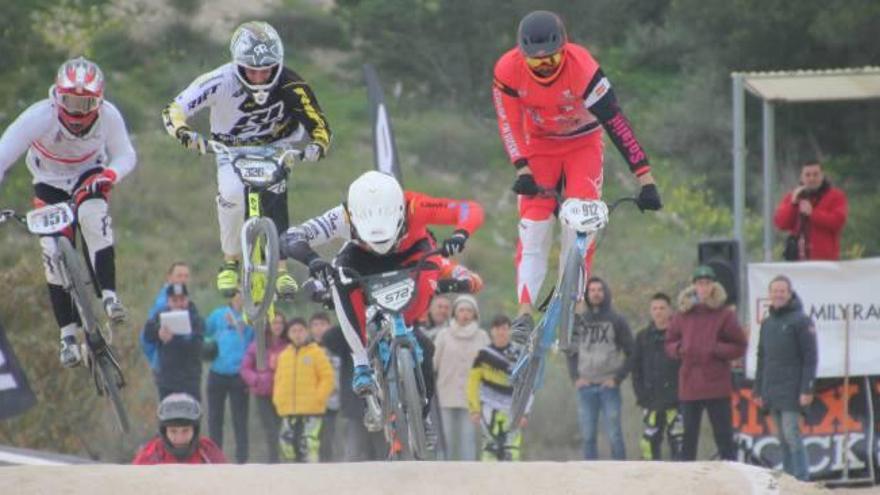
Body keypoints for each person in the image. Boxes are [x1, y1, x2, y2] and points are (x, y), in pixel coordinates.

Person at [492, 11, 663, 341]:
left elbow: (616, 123)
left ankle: (575, 301)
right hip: (539, 145)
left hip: (583, 143)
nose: (545, 67)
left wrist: (646, 178)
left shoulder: (583, 68)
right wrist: (521, 167)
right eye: (535, 63)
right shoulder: (507, 70)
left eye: (551, 59)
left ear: (564, 49)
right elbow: (508, 123)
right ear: (521, 57)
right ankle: (524, 311)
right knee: (534, 228)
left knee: (582, 221)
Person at [161, 21, 332, 297]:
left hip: (276, 147)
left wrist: (318, 145)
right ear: (237, 64)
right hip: (230, 150)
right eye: (251, 69)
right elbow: (174, 108)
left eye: (266, 69)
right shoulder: (219, 80)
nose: (259, 76)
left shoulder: (292, 83)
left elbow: (319, 123)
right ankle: (230, 261)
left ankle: (282, 269)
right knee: (231, 194)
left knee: (276, 191)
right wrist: (184, 133)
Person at [279, 170, 483, 400]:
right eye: (373, 238)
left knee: (429, 269)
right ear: (355, 218)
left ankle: (407, 334)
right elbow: (291, 237)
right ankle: (361, 364)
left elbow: (468, 209)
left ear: (400, 214)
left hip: (411, 256)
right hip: (361, 261)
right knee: (340, 280)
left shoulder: (415, 205)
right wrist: (313, 260)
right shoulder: (343, 216)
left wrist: (461, 234)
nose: (382, 244)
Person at [0, 57, 136, 367]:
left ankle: (110, 297)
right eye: (69, 101)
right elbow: (2, 155)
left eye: (85, 102)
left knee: (94, 220)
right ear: (57, 97)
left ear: (98, 101)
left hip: (89, 175)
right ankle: (67, 336)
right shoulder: (39, 117)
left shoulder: (109, 117)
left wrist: (110, 175)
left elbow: (126, 154)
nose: (76, 112)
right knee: (50, 251)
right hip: (48, 183)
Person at [665, 265, 747, 461]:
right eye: (700, 284)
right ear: (694, 286)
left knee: (724, 436)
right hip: (690, 384)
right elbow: (669, 342)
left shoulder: (724, 314)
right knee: (688, 438)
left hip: (716, 384)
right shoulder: (682, 314)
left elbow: (740, 344)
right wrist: (680, 349)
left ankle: (731, 476)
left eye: (707, 283)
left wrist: (716, 349)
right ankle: (688, 480)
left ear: (713, 286)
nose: (703, 287)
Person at [753, 275, 817, 481]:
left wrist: (807, 388)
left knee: (792, 434)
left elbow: (810, 358)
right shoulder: (767, 323)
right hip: (771, 389)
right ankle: (790, 478)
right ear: (770, 295)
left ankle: (802, 478)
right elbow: (761, 358)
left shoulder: (802, 320)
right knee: (780, 437)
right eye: (775, 291)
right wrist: (758, 390)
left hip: (793, 389)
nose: (778, 294)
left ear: (789, 294)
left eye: (782, 291)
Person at [567, 277, 633, 460]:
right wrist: (575, 377)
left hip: (609, 386)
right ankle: (591, 478)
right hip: (586, 387)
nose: (596, 293)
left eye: (599, 290)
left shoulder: (617, 320)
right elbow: (570, 352)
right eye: (592, 290)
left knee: (614, 435)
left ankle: (620, 474)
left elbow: (632, 352)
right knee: (588, 436)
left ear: (605, 293)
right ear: (587, 295)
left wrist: (617, 378)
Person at [433, 294, 490, 461]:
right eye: (461, 310)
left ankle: (469, 477)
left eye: (469, 311)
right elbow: (433, 364)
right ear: (455, 313)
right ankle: (442, 474)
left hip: (472, 398)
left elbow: (487, 368)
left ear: (475, 314)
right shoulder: (443, 335)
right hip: (445, 394)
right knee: (445, 439)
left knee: (468, 439)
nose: (465, 314)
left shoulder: (482, 336)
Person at [273, 318, 335, 462]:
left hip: (311, 410)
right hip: (288, 410)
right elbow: (278, 380)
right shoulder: (284, 355)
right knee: (287, 445)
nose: (297, 334)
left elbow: (327, 377)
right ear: (288, 334)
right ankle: (291, 477)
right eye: (293, 331)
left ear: (307, 332)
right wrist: (278, 399)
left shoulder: (316, 353)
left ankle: (311, 476)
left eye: (301, 330)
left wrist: (318, 397)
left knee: (309, 445)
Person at [629, 293, 682, 461]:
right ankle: (649, 477)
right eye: (654, 308)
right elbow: (635, 369)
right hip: (651, 400)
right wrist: (641, 395)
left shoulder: (680, 334)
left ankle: (681, 476)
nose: (658, 312)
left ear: (670, 310)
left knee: (679, 440)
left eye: (662, 308)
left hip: (677, 400)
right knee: (649, 442)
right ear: (650, 311)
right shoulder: (642, 337)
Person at [205, 290, 254, 463]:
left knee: (240, 420)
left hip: (239, 375)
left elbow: (256, 343)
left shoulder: (252, 316)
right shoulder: (219, 314)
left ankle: (242, 461)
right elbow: (204, 333)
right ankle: (215, 458)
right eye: (238, 294)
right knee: (215, 419)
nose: (241, 298)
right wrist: (208, 347)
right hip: (217, 372)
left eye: (245, 294)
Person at [467, 314, 523, 461]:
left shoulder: (519, 355)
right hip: (488, 407)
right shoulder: (483, 355)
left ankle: (513, 482)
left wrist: (525, 412)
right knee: (490, 449)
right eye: (497, 328)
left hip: (512, 408)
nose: (501, 332)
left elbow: (528, 387)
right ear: (492, 331)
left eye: (505, 328)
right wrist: (474, 409)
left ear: (510, 331)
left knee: (512, 450)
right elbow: (473, 382)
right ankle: (488, 482)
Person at [773, 160, 848, 261]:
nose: (811, 178)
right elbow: (781, 224)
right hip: (797, 259)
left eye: (815, 174)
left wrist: (813, 214)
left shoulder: (835, 196)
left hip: (825, 260)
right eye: (807, 175)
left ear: (822, 176)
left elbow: (838, 221)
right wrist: (793, 204)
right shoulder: (793, 197)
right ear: (802, 177)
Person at [239, 312, 288, 463]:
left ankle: (285, 459)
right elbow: (245, 368)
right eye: (274, 322)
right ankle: (273, 460)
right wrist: (257, 380)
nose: (277, 326)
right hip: (263, 393)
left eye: (280, 322)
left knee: (281, 428)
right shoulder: (258, 345)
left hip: (282, 392)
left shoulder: (288, 345)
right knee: (270, 429)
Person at [142, 283, 204, 400]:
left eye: (182, 299)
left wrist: (176, 338)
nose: (179, 304)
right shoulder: (160, 315)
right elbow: (147, 334)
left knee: (191, 415)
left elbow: (198, 345)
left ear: (187, 299)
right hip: (167, 381)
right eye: (174, 300)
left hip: (190, 381)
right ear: (168, 301)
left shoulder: (196, 319)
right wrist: (158, 333)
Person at [133, 393, 227, 464]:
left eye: (185, 431)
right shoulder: (150, 455)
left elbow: (226, 478)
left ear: (195, 430)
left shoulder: (208, 451)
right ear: (164, 432)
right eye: (173, 431)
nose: (179, 438)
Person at [141, 261, 190, 391]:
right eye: (179, 275)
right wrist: (155, 360)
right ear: (169, 277)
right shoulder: (163, 302)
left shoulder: (183, 299)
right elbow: (146, 335)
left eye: (186, 276)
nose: (183, 279)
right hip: (166, 367)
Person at [309, 311, 342, 462]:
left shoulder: (337, 347)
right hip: (310, 401)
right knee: (311, 438)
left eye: (322, 324)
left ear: (329, 326)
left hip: (333, 400)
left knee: (330, 437)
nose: (319, 328)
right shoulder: (306, 348)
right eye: (315, 325)